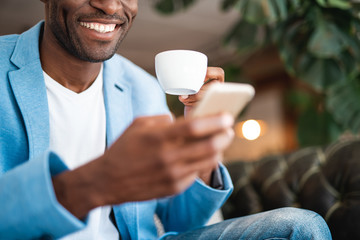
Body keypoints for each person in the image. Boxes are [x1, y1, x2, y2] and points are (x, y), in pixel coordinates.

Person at [0, 0, 332, 239]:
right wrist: (95, 182)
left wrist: (201, 147)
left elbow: (180, 220)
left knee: (300, 227)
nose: (110, 6)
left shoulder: (142, 88)